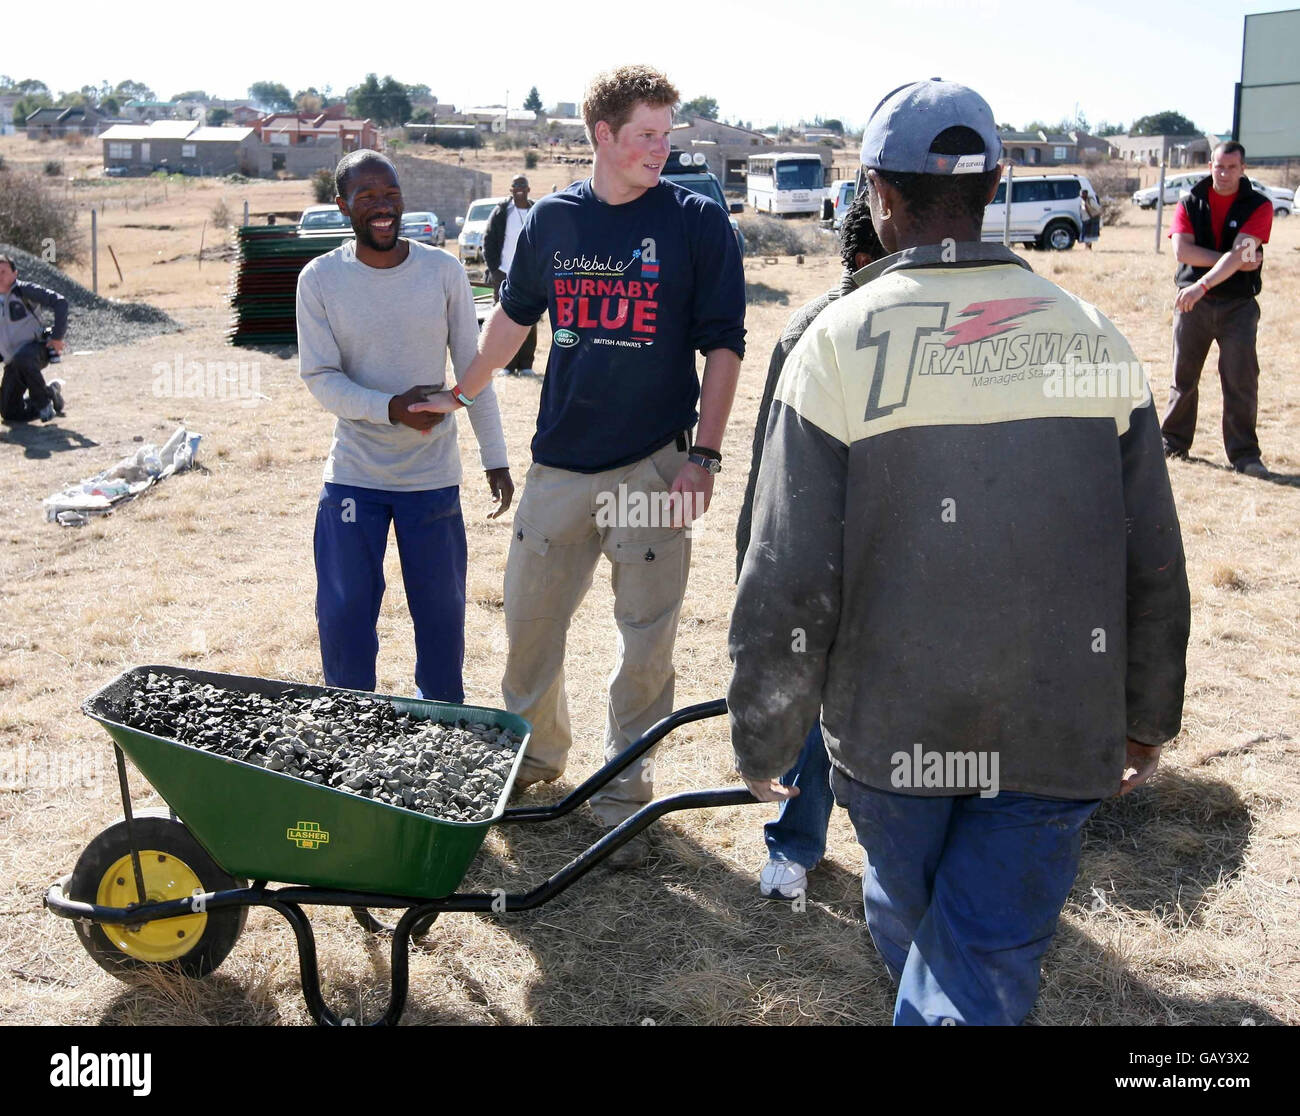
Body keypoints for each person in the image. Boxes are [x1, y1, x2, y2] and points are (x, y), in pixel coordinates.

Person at [728, 79, 1190, 1025]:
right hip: (1056, 733)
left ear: (876, 195)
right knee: (972, 944)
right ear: (997, 184)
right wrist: (1147, 713)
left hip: (893, 739)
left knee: (931, 935)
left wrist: (763, 730)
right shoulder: (1092, 335)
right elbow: (1154, 558)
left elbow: (786, 574)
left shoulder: (836, 345)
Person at [414, 64, 746, 866]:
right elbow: (513, 322)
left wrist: (703, 454)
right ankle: (535, 761)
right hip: (559, 464)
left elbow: (725, 347)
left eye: (668, 135)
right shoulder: (552, 221)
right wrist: (461, 394)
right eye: (646, 135)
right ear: (602, 134)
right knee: (530, 623)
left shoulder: (698, 222)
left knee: (647, 638)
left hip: (654, 466)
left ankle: (625, 796)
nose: (660, 150)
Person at [296, 150, 515, 703]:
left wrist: (496, 457)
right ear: (343, 205)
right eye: (365, 196)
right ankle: (351, 726)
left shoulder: (441, 272)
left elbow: (476, 369)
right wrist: (390, 407)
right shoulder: (320, 279)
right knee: (345, 615)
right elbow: (321, 378)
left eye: (389, 192)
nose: (381, 206)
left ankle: (442, 729)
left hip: (431, 479)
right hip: (354, 478)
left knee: (441, 615)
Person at [734, 190, 884, 900]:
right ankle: (795, 844)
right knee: (806, 701)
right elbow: (772, 465)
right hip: (828, 558)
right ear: (862, 259)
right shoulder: (813, 332)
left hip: (906, 562)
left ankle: (903, 855)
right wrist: (755, 565)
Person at [1160, 141, 1273, 477]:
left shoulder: (1258, 205)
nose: (1223, 174)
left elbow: (1243, 257)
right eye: (1218, 166)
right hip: (1191, 303)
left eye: (1231, 168)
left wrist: (1206, 278)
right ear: (1210, 165)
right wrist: (1233, 260)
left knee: (1241, 378)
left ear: (1243, 169)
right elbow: (1183, 252)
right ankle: (1172, 442)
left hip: (1238, 306)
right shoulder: (1190, 200)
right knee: (1183, 377)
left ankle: (1245, 455)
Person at [0, 253, 67, 424]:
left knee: (23, 357)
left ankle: (44, 405)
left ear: (15, 274)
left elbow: (60, 302)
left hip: (36, 351)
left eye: (3, 272)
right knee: (9, 413)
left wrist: (57, 337)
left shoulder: (24, 290)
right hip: (14, 361)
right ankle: (50, 394)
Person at [483, 175, 538, 377]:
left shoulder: (536, 211)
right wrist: (494, 270)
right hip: (504, 273)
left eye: (523, 186)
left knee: (529, 320)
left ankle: (526, 364)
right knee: (503, 319)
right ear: (511, 190)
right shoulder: (501, 212)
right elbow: (488, 241)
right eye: (516, 186)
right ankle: (506, 364)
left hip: (530, 275)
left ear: (529, 189)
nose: (520, 190)